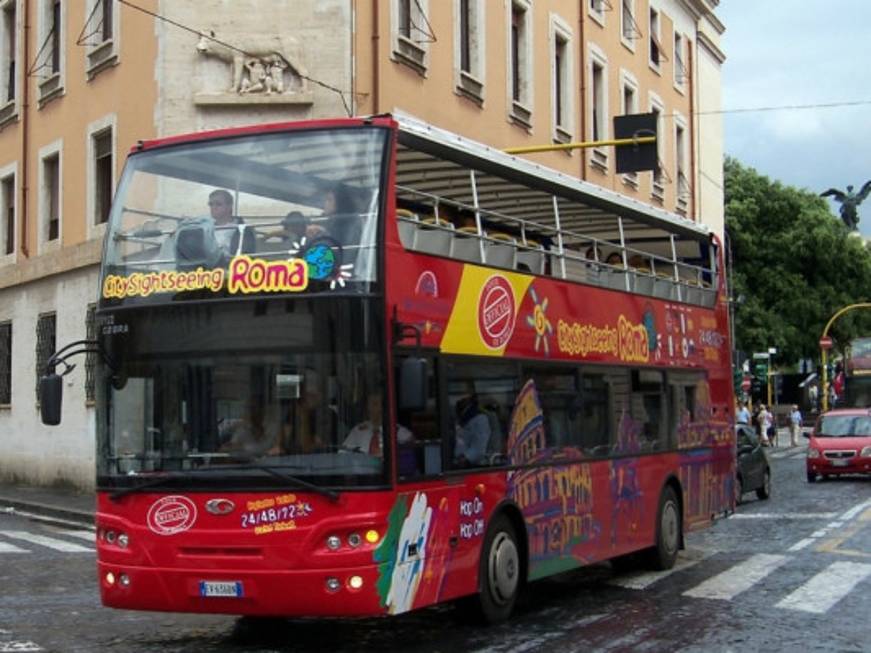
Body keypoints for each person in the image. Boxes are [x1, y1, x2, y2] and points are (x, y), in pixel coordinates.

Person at [342, 393, 412, 456]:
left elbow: (411, 444)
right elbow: (343, 452)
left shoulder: (396, 430)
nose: (370, 408)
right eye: (369, 404)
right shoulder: (358, 430)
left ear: (384, 407)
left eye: (375, 404)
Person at [208, 189, 256, 257]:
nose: (213, 207)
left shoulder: (244, 230)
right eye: (211, 204)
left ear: (229, 206)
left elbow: (247, 255)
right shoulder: (206, 228)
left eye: (218, 204)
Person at [453, 393, 491, 466]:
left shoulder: (480, 418)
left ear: (469, 399)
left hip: (469, 465)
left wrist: (464, 459)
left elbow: (479, 448)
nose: (458, 399)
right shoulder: (460, 415)